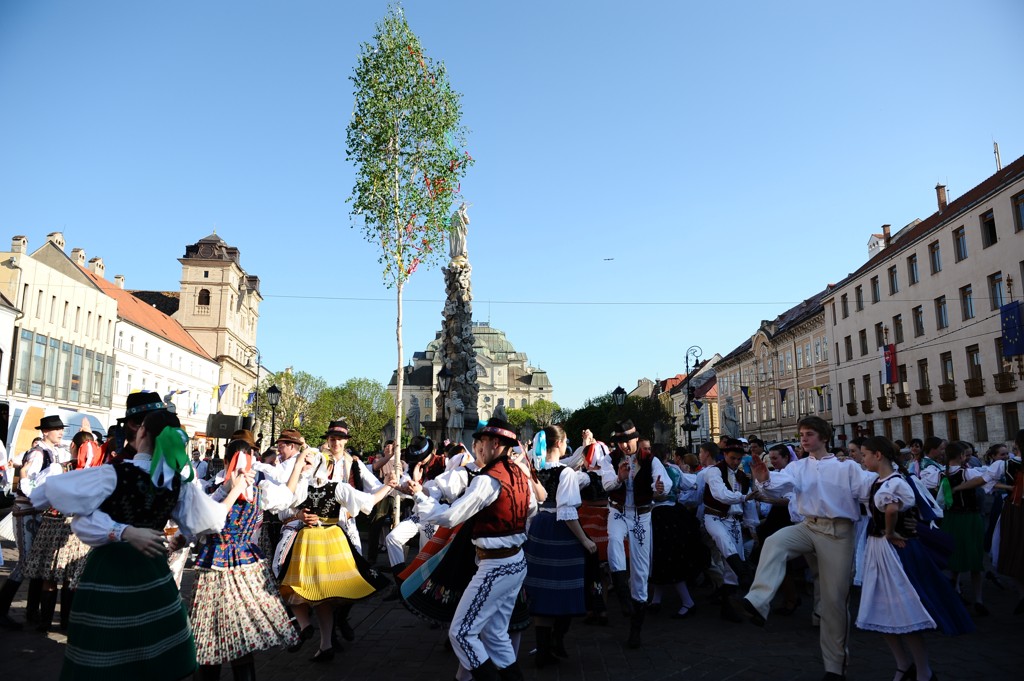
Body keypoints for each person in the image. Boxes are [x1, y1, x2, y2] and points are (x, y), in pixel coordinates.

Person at [32, 409, 238, 680]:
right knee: (152, 650)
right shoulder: (176, 483)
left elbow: (44, 494)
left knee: (107, 653)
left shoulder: (113, 474)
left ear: (141, 432)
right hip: (152, 570)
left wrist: (123, 531)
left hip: (109, 571)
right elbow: (211, 522)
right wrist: (228, 492)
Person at [743, 416, 877, 681]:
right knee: (774, 541)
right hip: (809, 526)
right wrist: (764, 478)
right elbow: (778, 484)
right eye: (802, 434)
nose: (804, 438)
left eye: (810, 434)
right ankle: (759, 601)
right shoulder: (798, 467)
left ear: (824, 438)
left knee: (834, 604)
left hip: (838, 533)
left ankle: (835, 667)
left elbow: (871, 489)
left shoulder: (846, 467)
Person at [408, 417, 536, 680]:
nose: (477, 447)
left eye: (481, 442)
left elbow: (451, 517)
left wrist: (420, 496)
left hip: (496, 565)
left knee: (462, 633)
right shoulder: (519, 473)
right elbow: (532, 507)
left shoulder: (488, 480)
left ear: (495, 443)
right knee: (496, 635)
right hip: (515, 561)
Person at [856, 436, 973, 681]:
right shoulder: (879, 481)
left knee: (904, 610)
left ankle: (922, 669)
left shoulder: (896, 482)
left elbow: (891, 509)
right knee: (881, 609)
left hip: (894, 550)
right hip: (880, 548)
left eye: (864, 454)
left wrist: (889, 532)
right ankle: (906, 665)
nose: (861, 458)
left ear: (878, 455)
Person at [189, 437, 305, 681]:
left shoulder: (218, 490)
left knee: (215, 637)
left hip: (219, 564)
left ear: (224, 460)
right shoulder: (239, 490)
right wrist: (297, 468)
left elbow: (198, 526)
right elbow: (286, 495)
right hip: (244, 565)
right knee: (236, 636)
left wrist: (297, 467)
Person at [277, 425, 396, 662]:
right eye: (332, 439)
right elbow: (369, 500)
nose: (335, 443)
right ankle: (325, 640)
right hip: (331, 538)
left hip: (319, 539)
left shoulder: (306, 484)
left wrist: (390, 485)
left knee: (298, 586)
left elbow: (283, 506)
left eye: (339, 439)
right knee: (330, 590)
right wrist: (389, 486)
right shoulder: (334, 487)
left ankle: (315, 632)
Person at [524, 425, 596, 667]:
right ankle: (556, 640)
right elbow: (567, 512)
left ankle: (545, 650)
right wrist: (585, 540)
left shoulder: (536, 468)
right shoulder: (564, 473)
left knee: (542, 589)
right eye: (566, 442)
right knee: (567, 585)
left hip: (539, 526)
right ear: (559, 444)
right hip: (560, 531)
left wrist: (585, 446)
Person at [600, 420, 668, 648]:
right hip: (618, 511)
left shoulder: (651, 459)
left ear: (636, 439)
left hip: (641, 515)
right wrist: (619, 478)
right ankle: (621, 591)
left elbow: (663, 480)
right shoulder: (608, 460)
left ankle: (635, 627)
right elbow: (607, 485)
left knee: (640, 568)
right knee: (614, 541)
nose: (624, 446)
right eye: (620, 442)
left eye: (627, 441)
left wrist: (660, 489)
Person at [23, 430, 99, 633]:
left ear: (73, 446)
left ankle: (45, 622)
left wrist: (24, 477)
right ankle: (66, 622)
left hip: (53, 522)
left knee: (48, 575)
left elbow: (38, 494)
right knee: (69, 577)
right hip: (75, 527)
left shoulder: (59, 468)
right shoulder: (94, 474)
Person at [0, 415, 70, 630]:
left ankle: (32, 613)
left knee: (34, 562)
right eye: (56, 429)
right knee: (26, 562)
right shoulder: (39, 453)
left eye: (60, 428)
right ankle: (2, 610)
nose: (60, 432)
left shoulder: (51, 452)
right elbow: (29, 485)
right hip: (27, 511)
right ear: (45, 432)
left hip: (35, 511)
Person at [701, 438, 758, 622]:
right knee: (724, 543)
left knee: (730, 568)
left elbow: (748, 504)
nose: (735, 462)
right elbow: (720, 495)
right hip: (714, 516)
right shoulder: (714, 472)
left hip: (733, 521)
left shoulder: (742, 477)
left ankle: (728, 607)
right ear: (724, 454)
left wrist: (751, 525)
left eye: (738, 459)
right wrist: (744, 497)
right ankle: (745, 576)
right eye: (732, 458)